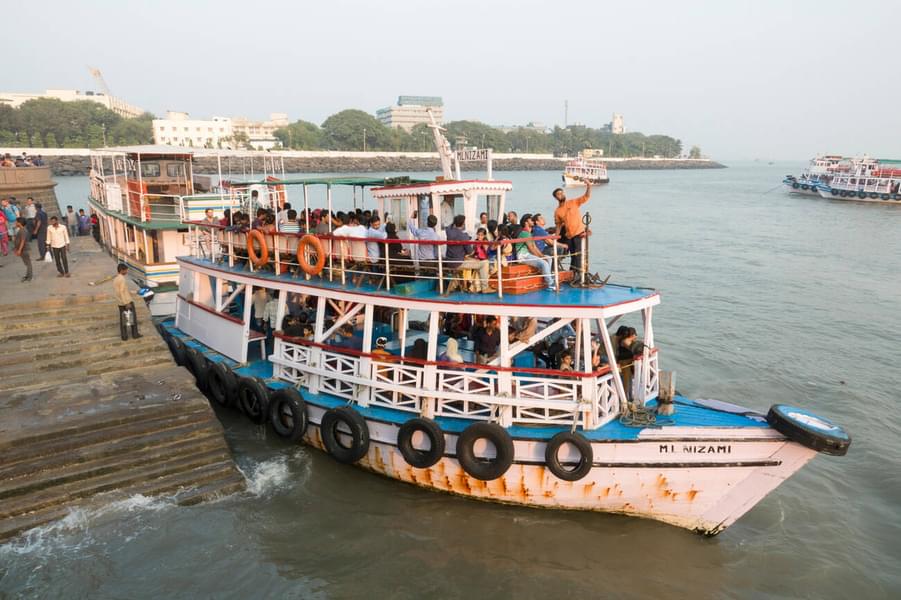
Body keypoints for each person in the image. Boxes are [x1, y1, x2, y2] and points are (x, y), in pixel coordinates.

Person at [553, 180, 592, 274]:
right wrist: (555, 238)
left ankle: (577, 275)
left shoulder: (573, 202)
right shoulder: (557, 211)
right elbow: (558, 225)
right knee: (573, 256)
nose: (561, 195)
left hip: (579, 233)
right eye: (558, 194)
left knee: (578, 255)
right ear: (555, 197)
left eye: (562, 193)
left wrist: (589, 186)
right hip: (569, 235)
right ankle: (573, 273)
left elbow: (586, 197)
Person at [443, 215, 480, 294]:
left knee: (469, 263)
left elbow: (449, 226)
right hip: (458, 263)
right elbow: (470, 252)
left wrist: (455, 221)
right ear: (463, 224)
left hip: (449, 261)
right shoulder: (463, 236)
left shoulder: (449, 231)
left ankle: (462, 285)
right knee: (482, 264)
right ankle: (480, 287)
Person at [515, 215, 555, 290]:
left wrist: (542, 256)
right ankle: (550, 283)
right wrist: (542, 258)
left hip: (527, 254)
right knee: (544, 263)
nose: (533, 221)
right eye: (531, 220)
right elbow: (532, 249)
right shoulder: (524, 233)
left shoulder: (529, 233)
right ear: (526, 222)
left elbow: (535, 247)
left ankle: (546, 277)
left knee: (549, 258)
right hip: (522, 256)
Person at [113, 263, 141, 340]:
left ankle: (124, 336)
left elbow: (121, 291)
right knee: (132, 318)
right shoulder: (122, 279)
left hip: (120, 302)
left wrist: (134, 292)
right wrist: (126, 303)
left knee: (123, 320)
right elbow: (122, 291)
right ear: (122, 270)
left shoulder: (115, 279)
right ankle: (135, 334)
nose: (126, 272)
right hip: (126, 301)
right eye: (126, 270)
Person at [408, 211, 439, 277]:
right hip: (432, 261)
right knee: (433, 276)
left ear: (427, 223)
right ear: (435, 224)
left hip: (422, 260)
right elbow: (436, 250)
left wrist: (411, 218)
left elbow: (412, 228)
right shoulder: (435, 236)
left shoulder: (420, 232)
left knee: (424, 275)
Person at [13, 218, 32, 282]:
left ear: (19, 223)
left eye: (16, 222)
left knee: (28, 263)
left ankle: (29, 277)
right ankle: (28, 275)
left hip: (24, 249)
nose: (15, 223)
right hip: (22, 249)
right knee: (27, 263)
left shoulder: (23, 230)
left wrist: (19, 250)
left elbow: (22, 241)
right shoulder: (20, 230)